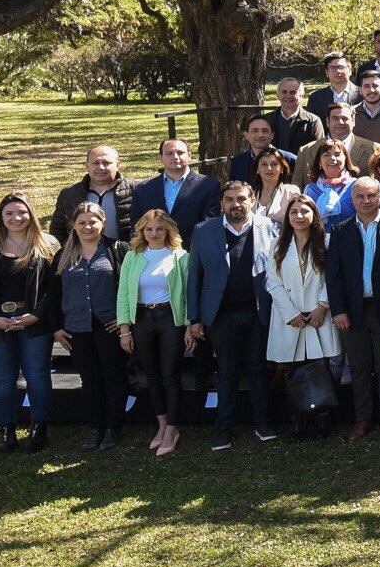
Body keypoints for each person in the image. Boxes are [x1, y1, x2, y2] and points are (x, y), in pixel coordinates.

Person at [0, 193, 61, 454]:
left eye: (22, 212)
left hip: (34, 323)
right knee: (2, 380)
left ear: (31, 214)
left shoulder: (47, 244)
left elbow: (54, 288)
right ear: (0, 217)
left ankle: (39, 426)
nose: (16, 218)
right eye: (9, 213)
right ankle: (6, 429)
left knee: (37, 376)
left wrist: (37, 315)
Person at [187, 181, 278, 450]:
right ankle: (223, 428)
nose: (235, 204)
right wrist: (194, 318)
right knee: (226, 372)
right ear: (221, 202)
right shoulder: (204, 231)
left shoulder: (270, 228)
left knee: (258, 370)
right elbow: (195, 277)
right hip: (221, 316)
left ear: (251, 200)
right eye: (229, 199)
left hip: (258, 313)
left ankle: (263, 422)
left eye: (241, 198)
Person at [324, 176, 380, 438]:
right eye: (360, 196)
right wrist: (337, 310)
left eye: (371, 195)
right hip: (352, 311)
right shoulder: (340, 230)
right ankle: (362, 418)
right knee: (358, 367)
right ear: (352, 199)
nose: (366, 200)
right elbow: (333, 276)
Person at [263, 192, 343, 437]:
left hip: (320, 315)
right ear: (287, 217)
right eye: (294, 212)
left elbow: (335, 277)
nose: (299, 216)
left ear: (314, 215)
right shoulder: (277, 245)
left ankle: (321, 418)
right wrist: (291, 313)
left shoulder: (328, 242)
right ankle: (298, 419)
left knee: (322, 366)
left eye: (304, 211)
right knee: (292, 369)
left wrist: (322, 306)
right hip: (291, 318)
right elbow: (272, 283)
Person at [117, 207, 191, 457]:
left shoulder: (180, 256)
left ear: (168, 230)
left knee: (170, 373)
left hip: (170, 318)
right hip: (141, 318)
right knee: (151, 374)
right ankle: (160, 424)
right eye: (149, 229)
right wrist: (124, 327)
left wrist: (191, 324)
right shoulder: (133, 256)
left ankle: (172, 428)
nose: (155, 233)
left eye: (160, 229)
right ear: (142, 231)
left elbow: (189, 295)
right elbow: (123, 294)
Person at [55, 202, 125, 450]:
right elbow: (52, 294)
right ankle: (94, 428)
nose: (87, 226)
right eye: (82, 222)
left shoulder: (117, 250)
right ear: (73, 225)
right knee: (89, 379)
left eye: (92, 221)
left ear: (103, 223)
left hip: (109, 326)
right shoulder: (62, 256)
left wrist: (125, 318)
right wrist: (56, 327)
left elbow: (129, 288)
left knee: (113, 376)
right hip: (76, 328)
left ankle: (112, 428)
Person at [51, 144, 134, 245]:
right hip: (82, 258)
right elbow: (57, 232)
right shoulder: (69, 194)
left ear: (117, 165)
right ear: (87, 166)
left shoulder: (135, 190)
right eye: (95, 163)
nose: (101, 167)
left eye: (106, 162)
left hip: (125, 257)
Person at [139, 137, 221, 237]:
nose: (175, 157)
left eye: (180, 153)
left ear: (189, 155)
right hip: (154, 250)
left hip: (192, 249)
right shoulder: (143, 188)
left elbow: (209, 224)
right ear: (160, 158)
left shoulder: (209, 186)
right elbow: (137, 225)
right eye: (169, 153)